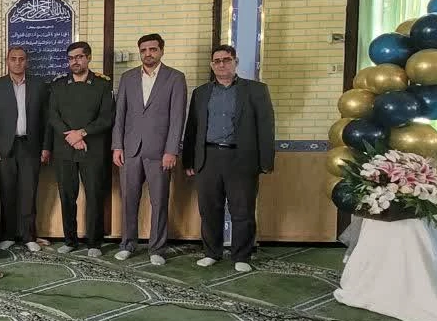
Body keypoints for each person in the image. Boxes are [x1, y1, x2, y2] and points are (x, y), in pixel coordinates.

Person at [183, 45, 276, 273]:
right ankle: (211, 253)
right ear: (211, 65)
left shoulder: (256, 90)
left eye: (226, 60)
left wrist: (266, 161)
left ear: (235, 62)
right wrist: (189, 161)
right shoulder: (201, 93)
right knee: (209, 210)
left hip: (241, 158)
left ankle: (241, 255)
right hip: (208, 158)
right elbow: (192, 127)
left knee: (242, 210)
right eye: (217, 61)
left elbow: (266, 126)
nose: (221, 64)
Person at [112, 33, 188, 265]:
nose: (148, 54)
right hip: (130, 150)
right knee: (129, 200)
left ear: (161, 51)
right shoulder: (127, 78)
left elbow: (177, 117)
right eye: (144, 50)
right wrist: (117, 146)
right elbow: (120, 115)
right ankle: (128, 244)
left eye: (153, 49)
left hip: (160, 152)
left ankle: (157, 249)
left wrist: (171, 150)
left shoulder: (175, 78)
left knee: (159, 201)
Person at [0, 46, 53, 252]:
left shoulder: (39, 86)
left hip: (30, 146)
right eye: (13, 59)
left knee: (29, 193)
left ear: (27, 62)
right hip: (5, 148)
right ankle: (8, 235)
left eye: (21, 59)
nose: (17, 62)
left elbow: (47, 119)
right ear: (7, 62)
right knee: (7, 192)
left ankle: (29, 236)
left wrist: (46, 147)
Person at [48, 43, 114, 256]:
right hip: (65, 148)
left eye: (79, 57)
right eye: (71, 58)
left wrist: (82, 133)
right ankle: (70, 240)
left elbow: (107, 118)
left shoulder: (102, 85)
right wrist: (72, 137)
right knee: (67, 196)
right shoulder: (58, 85)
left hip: (92, 148)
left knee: (94, 196)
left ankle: (94, 243)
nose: (74, 61)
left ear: (88, 58)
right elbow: (53, 116)